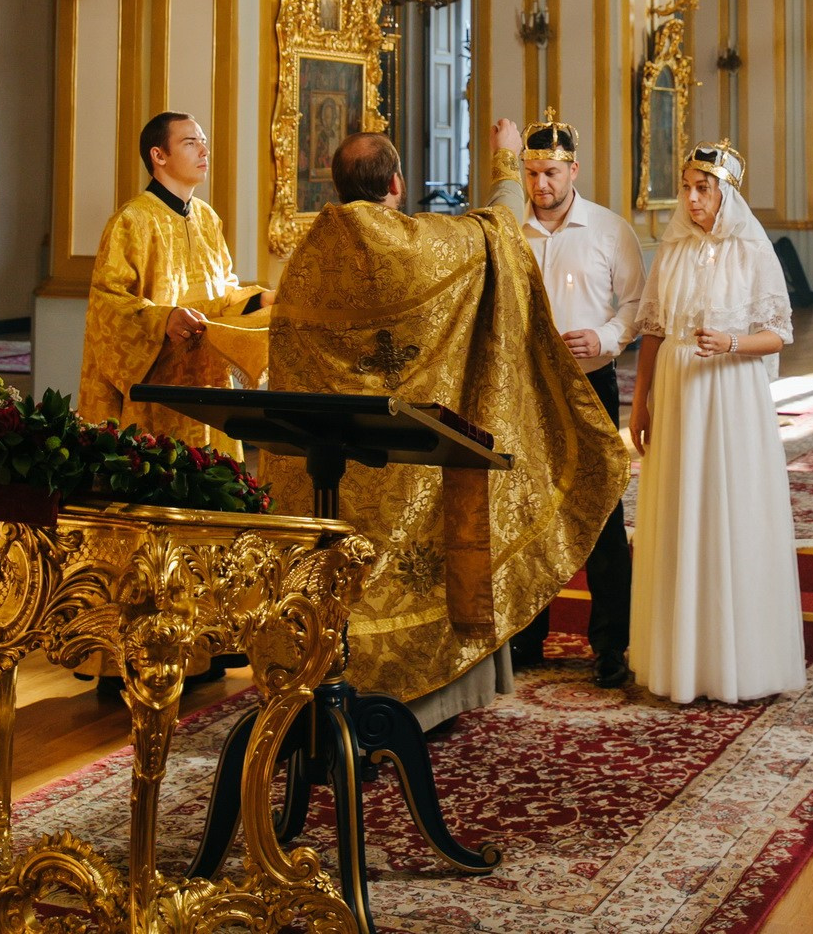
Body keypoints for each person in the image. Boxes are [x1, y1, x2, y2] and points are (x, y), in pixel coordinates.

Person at [267, 120, 629, 729]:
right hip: (405, 457)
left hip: (337, 458)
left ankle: (324, 677)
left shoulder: (310, 254)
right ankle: (421, 697)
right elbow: (495, 230)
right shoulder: (415, 245)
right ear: (398, 182)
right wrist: (502, 161)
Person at [628, 141, 806, 704]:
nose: (692, 197)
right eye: (686, 187)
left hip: (731, 395)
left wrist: (732, 341)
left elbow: (779, 334)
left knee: (729, 511)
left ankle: (740, 660)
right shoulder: (673, 251)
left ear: (726, 194)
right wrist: (639, 403)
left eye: (703, 188)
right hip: (679, 396)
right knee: (681, 511)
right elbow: (653, 331)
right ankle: (681, 661)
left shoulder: (753, 251)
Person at [512, 108, 644, 687]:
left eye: (552, 173)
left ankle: (611, 644)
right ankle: (525, 638)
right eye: (532, 173)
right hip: (525, 386)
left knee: (600, 515)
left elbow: (641, 305)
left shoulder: (610, 231)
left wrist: (606, 336)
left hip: (591, 381)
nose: (541, 185)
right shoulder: (508, 230)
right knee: (528, 510)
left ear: (574, 171)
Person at [79, 111, 272, 456]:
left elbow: (222, 293)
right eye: (190, 142)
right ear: (159, 155)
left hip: (207, 380)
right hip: (159, 386)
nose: (204, 151)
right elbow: (107, 306)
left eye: (204, 143)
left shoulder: (207, 217)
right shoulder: (132, 220)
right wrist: (162, 319)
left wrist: (260, 301)